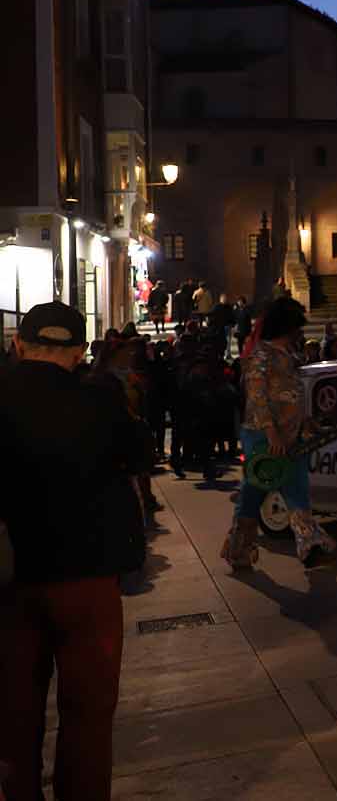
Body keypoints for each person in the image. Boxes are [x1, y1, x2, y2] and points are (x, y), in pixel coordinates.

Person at [0, 302, 147, 801]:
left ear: (19, 345)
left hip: (10, 579)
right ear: (81, 352)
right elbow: (141, 455)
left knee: (14, 715)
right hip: (87, 579)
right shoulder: (99, 402)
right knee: (88, 715)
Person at [220, 297, 336, 571]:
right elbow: (258, 397)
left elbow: (291, 397)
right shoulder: (262, 356)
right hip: (263, 437)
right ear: (287, 327)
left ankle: (309, 546)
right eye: (297, 327)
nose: (301, 332)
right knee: (253, 493)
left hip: (291, 435)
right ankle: (239, 548)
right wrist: (271, 433)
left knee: (296, 489)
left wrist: (305, 422)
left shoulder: (289, 357)